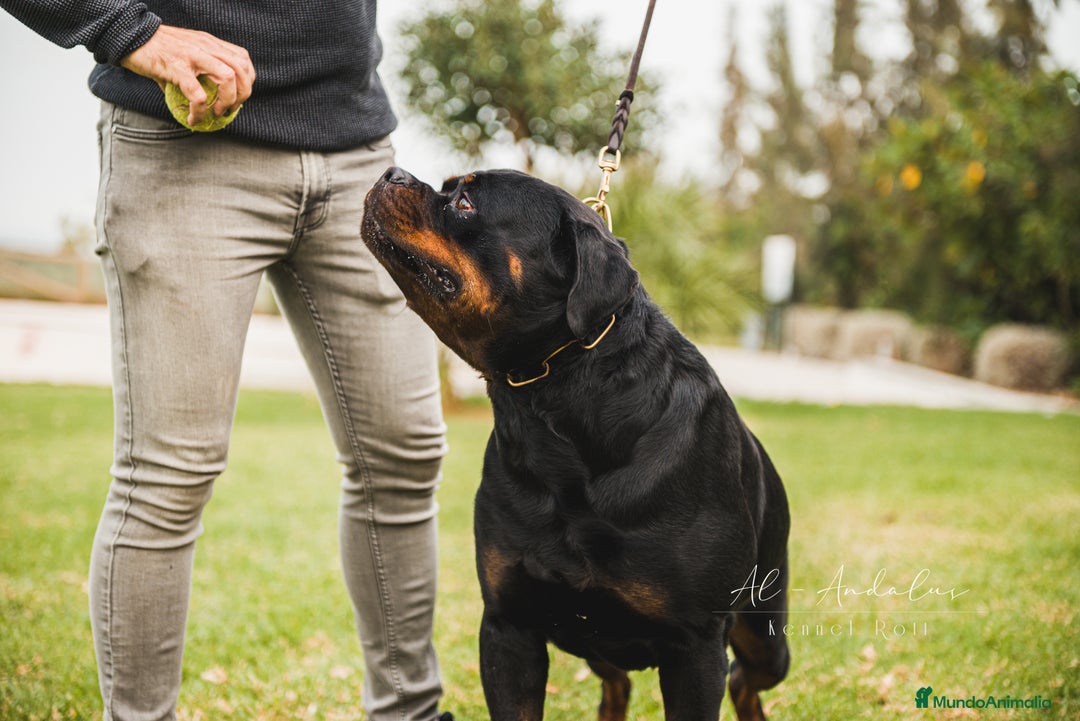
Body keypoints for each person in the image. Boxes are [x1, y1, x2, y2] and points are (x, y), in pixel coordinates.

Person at [0, 2, 452, 720]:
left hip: (357, 146)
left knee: (405, 452)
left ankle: (411, 711)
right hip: (182, 145)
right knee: (168, 473)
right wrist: (126, 31)